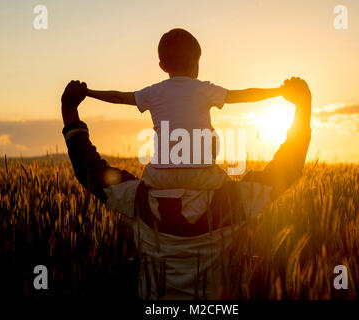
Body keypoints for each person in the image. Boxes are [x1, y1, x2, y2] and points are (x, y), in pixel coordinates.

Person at [61, 76, 312, 299]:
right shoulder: (234, 200)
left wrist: (70, 111)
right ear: (212, 150)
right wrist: (303, 108)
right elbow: (287, 168)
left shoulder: (137, 199)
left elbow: (89, 170)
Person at [83, 28, 288, 204]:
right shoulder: (203, 89)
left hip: (160, 176)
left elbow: (118, 97)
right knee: (231, 194)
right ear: (196, 61)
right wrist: (277, 91)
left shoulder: (153, 92)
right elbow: (243, 95)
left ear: (162, 66)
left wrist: (88, 92)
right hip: (201, 174)